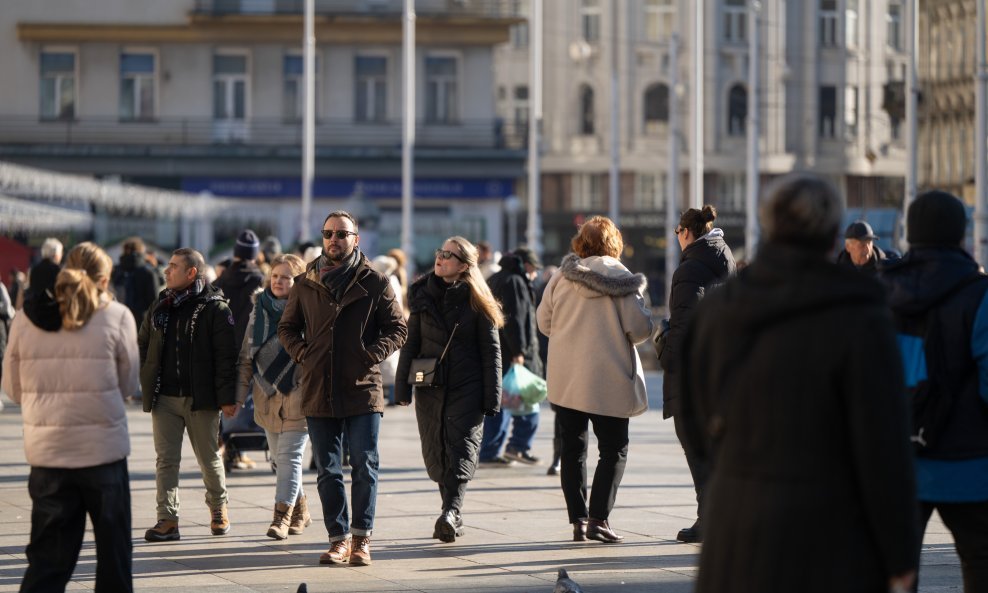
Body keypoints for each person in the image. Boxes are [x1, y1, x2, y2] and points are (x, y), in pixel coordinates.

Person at [678, 173, 919, 593]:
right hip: (833, 531)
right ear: (831, 237)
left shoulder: (718, 310)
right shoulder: (860, 313)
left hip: (737, 527)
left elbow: (695, 424)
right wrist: (899, 553)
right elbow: (882, 444)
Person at [2, 242, 139, 593]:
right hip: (103, 454)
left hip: (49, 454)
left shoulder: (26, 317)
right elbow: (127, 384)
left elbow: (13, 390)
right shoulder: (117, 315)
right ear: (104, 278)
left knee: (48, 563)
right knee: (114, 561)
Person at [278, 210, 406, 566]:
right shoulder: (305, 283)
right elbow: (286, 328)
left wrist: (371, 354)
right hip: (318, 385)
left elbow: (398, 328)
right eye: (328, 233)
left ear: (355, 239)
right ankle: (338, 539)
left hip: (363, 386)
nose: (334, 239)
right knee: (328, 469)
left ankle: (362, 539)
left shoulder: (375, 281)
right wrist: (304, 354)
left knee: (365, 464)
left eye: (341, 233)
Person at [881, 190, 988, 592]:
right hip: (970, 461)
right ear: (961, 233)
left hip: (897, 465)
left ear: (912, 234)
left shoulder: (880, 292)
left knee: (893, 569)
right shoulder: (980, 294)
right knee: (980, 560)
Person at [536, 216, 653, 544]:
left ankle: (578, 519)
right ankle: (599, 518)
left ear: (581, 243)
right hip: (609, 378)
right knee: (614, 448)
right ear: (614, 242)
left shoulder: (561, 277)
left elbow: (543, 322)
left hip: (567, 378)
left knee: (573, 449)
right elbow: (641, 329)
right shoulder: (620, 276)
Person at [394, 237, 503, 543]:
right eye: (439, 252)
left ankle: (450, 511)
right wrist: (402, 387)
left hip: (466, 386)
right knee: (438, 449)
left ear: (464, 265)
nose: (440, 258)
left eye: (448, 255)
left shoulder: (477, 299)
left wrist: (492, 396)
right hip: (428, 385)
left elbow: (491, 352)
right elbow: (410, 344)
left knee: (460, 446)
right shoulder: (421, 295)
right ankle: (452, 514)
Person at [139, 247, 238, 542]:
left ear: (191, 272)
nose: (166, 271)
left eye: (173, 266)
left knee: (208, 458)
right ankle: (167, 519)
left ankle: (218, 509)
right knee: (166, 461)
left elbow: (226, 357)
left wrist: (226, 397)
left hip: (201, 398)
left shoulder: (215, 308)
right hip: (165, 397)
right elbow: (143, 339)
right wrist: (149, 373)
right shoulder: (161, 305)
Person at [659, 204, 736, 544]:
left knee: (697, 446)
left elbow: (685, 321)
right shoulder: (725, 256)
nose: (677, 238)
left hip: (695, 373)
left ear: (686, 232)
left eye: (678, 232)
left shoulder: (690, 267)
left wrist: (671, 361)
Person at [235, 254, 311, 540]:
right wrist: (238, 398)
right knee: (279, 462)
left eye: (287, 277)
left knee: (289, 459)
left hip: (298, 395)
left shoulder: (309, 312)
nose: (279, 281)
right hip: (266, 396)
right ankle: (301, 509)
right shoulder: (259, 311)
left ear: (299, 281)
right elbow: (246, 357)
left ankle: (281, 518)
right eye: (276, 276)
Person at [480, 247, 544, 466]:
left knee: (502, 402)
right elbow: (514, 319)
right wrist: (519, 351)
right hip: (513, 354)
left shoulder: (496, 278)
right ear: (526, 266)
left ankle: (492, 450)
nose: (535, 274)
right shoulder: (515, 282)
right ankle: (517, 446)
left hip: (497, 351)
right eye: (534, 269)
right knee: (528, 401)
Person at [215, 229, 266, 470]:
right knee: (246, 398)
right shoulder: (260, 279)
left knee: (225, 399)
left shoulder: (221, 280)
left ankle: (228, 449)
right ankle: (240, 449)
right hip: (250, 348)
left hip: (222, 349)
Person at [371, 255, 404, 406]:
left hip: (385, 325)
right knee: (390, 361)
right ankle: (391, 394)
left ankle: (391, 395)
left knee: (388, 362)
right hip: (389, 325)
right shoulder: (393, 280)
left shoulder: (384, 282)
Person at [111, 236, 162, 325]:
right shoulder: (148, 272)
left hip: (117, 318)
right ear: (142, 251)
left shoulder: (115, 270)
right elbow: (154, 303)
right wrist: (155, 267)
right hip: (141, 322)